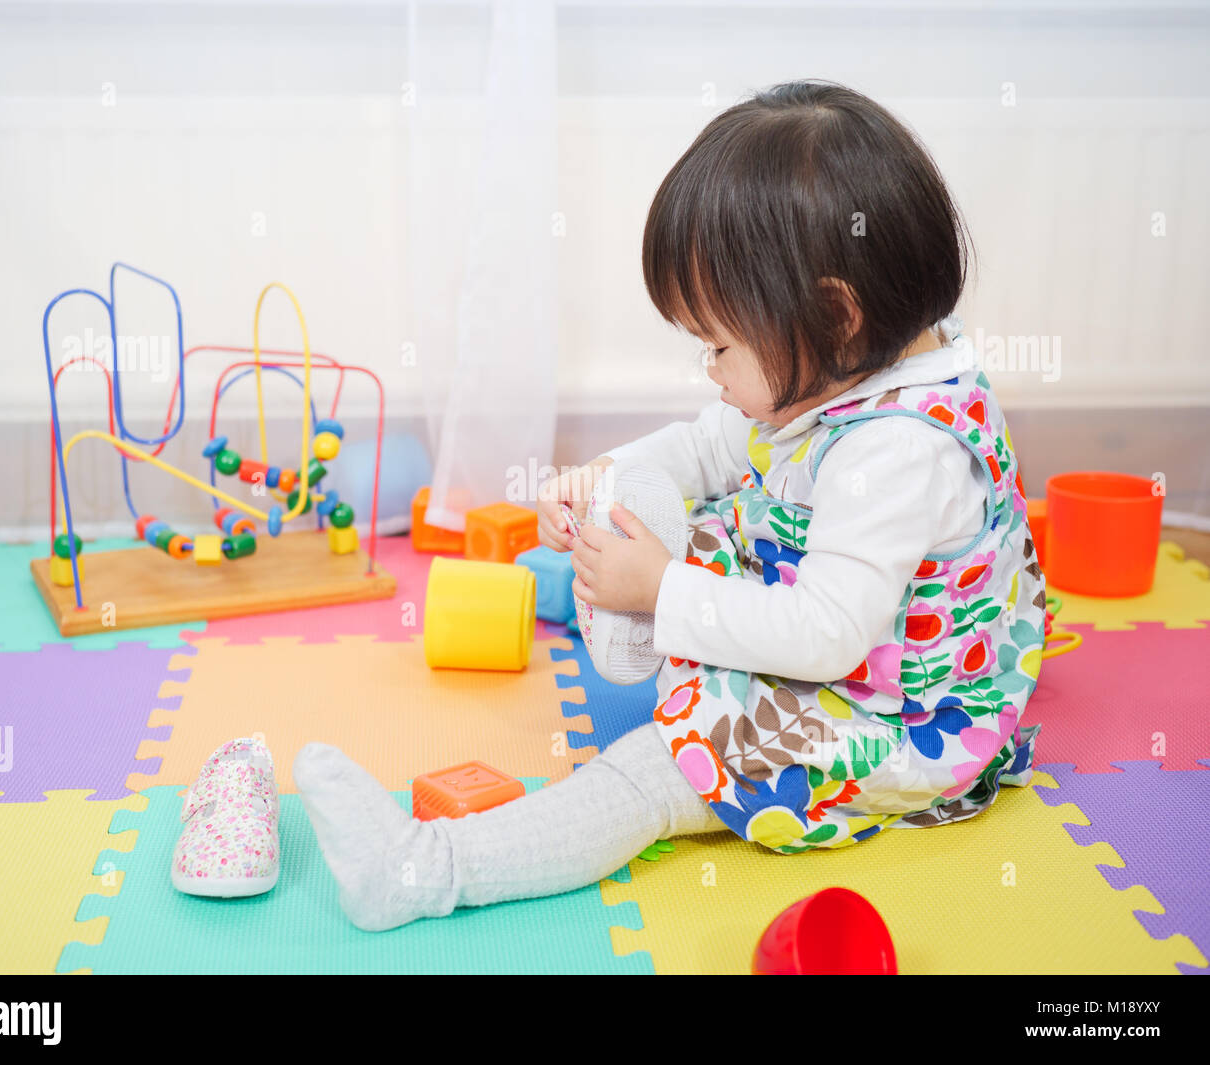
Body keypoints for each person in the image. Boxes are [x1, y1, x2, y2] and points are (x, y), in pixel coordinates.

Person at [295, 80, 1045, 931]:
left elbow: (829, 637)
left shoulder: (900, 450)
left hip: (891, 713)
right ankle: (574, 584)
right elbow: (702, 448)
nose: (709, 370)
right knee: (702, 512)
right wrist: (599, 478)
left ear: (835, 317)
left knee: (653, 771)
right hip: (841, 620)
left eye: (719, 345)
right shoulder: (841, 377)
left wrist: (659, 592)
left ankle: (424, 869)